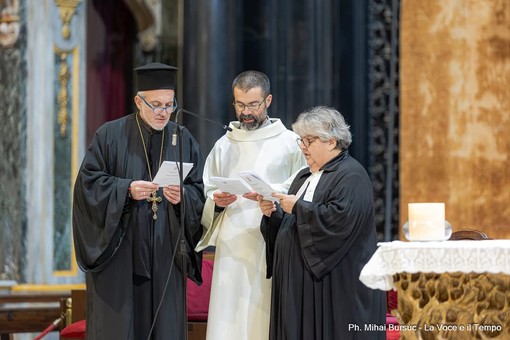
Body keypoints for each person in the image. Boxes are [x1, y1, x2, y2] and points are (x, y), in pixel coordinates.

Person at [72, 62, 206, 340]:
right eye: (155, 104)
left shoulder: (182, 139)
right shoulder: (109, 135)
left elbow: (199, 191)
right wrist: (126, 190)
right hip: (120, 252)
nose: (163, 112)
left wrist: (184, 197)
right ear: (138, 101)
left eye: (169, 105)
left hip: (164, 252)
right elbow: (88, 186)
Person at [196, 70, 307, 340]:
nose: (245, 112)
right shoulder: (224, 145)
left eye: (252, 105)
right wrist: (217, 201)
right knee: (230, 315)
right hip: (232, 245)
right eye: (239, 104)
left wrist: (271, 194)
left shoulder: (290, 142)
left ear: (268, 101)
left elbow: (303, 184)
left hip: (270, 239)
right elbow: (208, 188)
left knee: (262, 313)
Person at [258, 106, 386, 340]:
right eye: (301, 140)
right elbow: (294, 225)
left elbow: (339, 222)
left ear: (331, 141)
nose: (303, 147)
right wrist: (273, 216)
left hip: (334, 284)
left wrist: (297, 207)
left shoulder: (352, 175)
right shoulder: (303, 176)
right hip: (297, 284)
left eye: (309, 140)